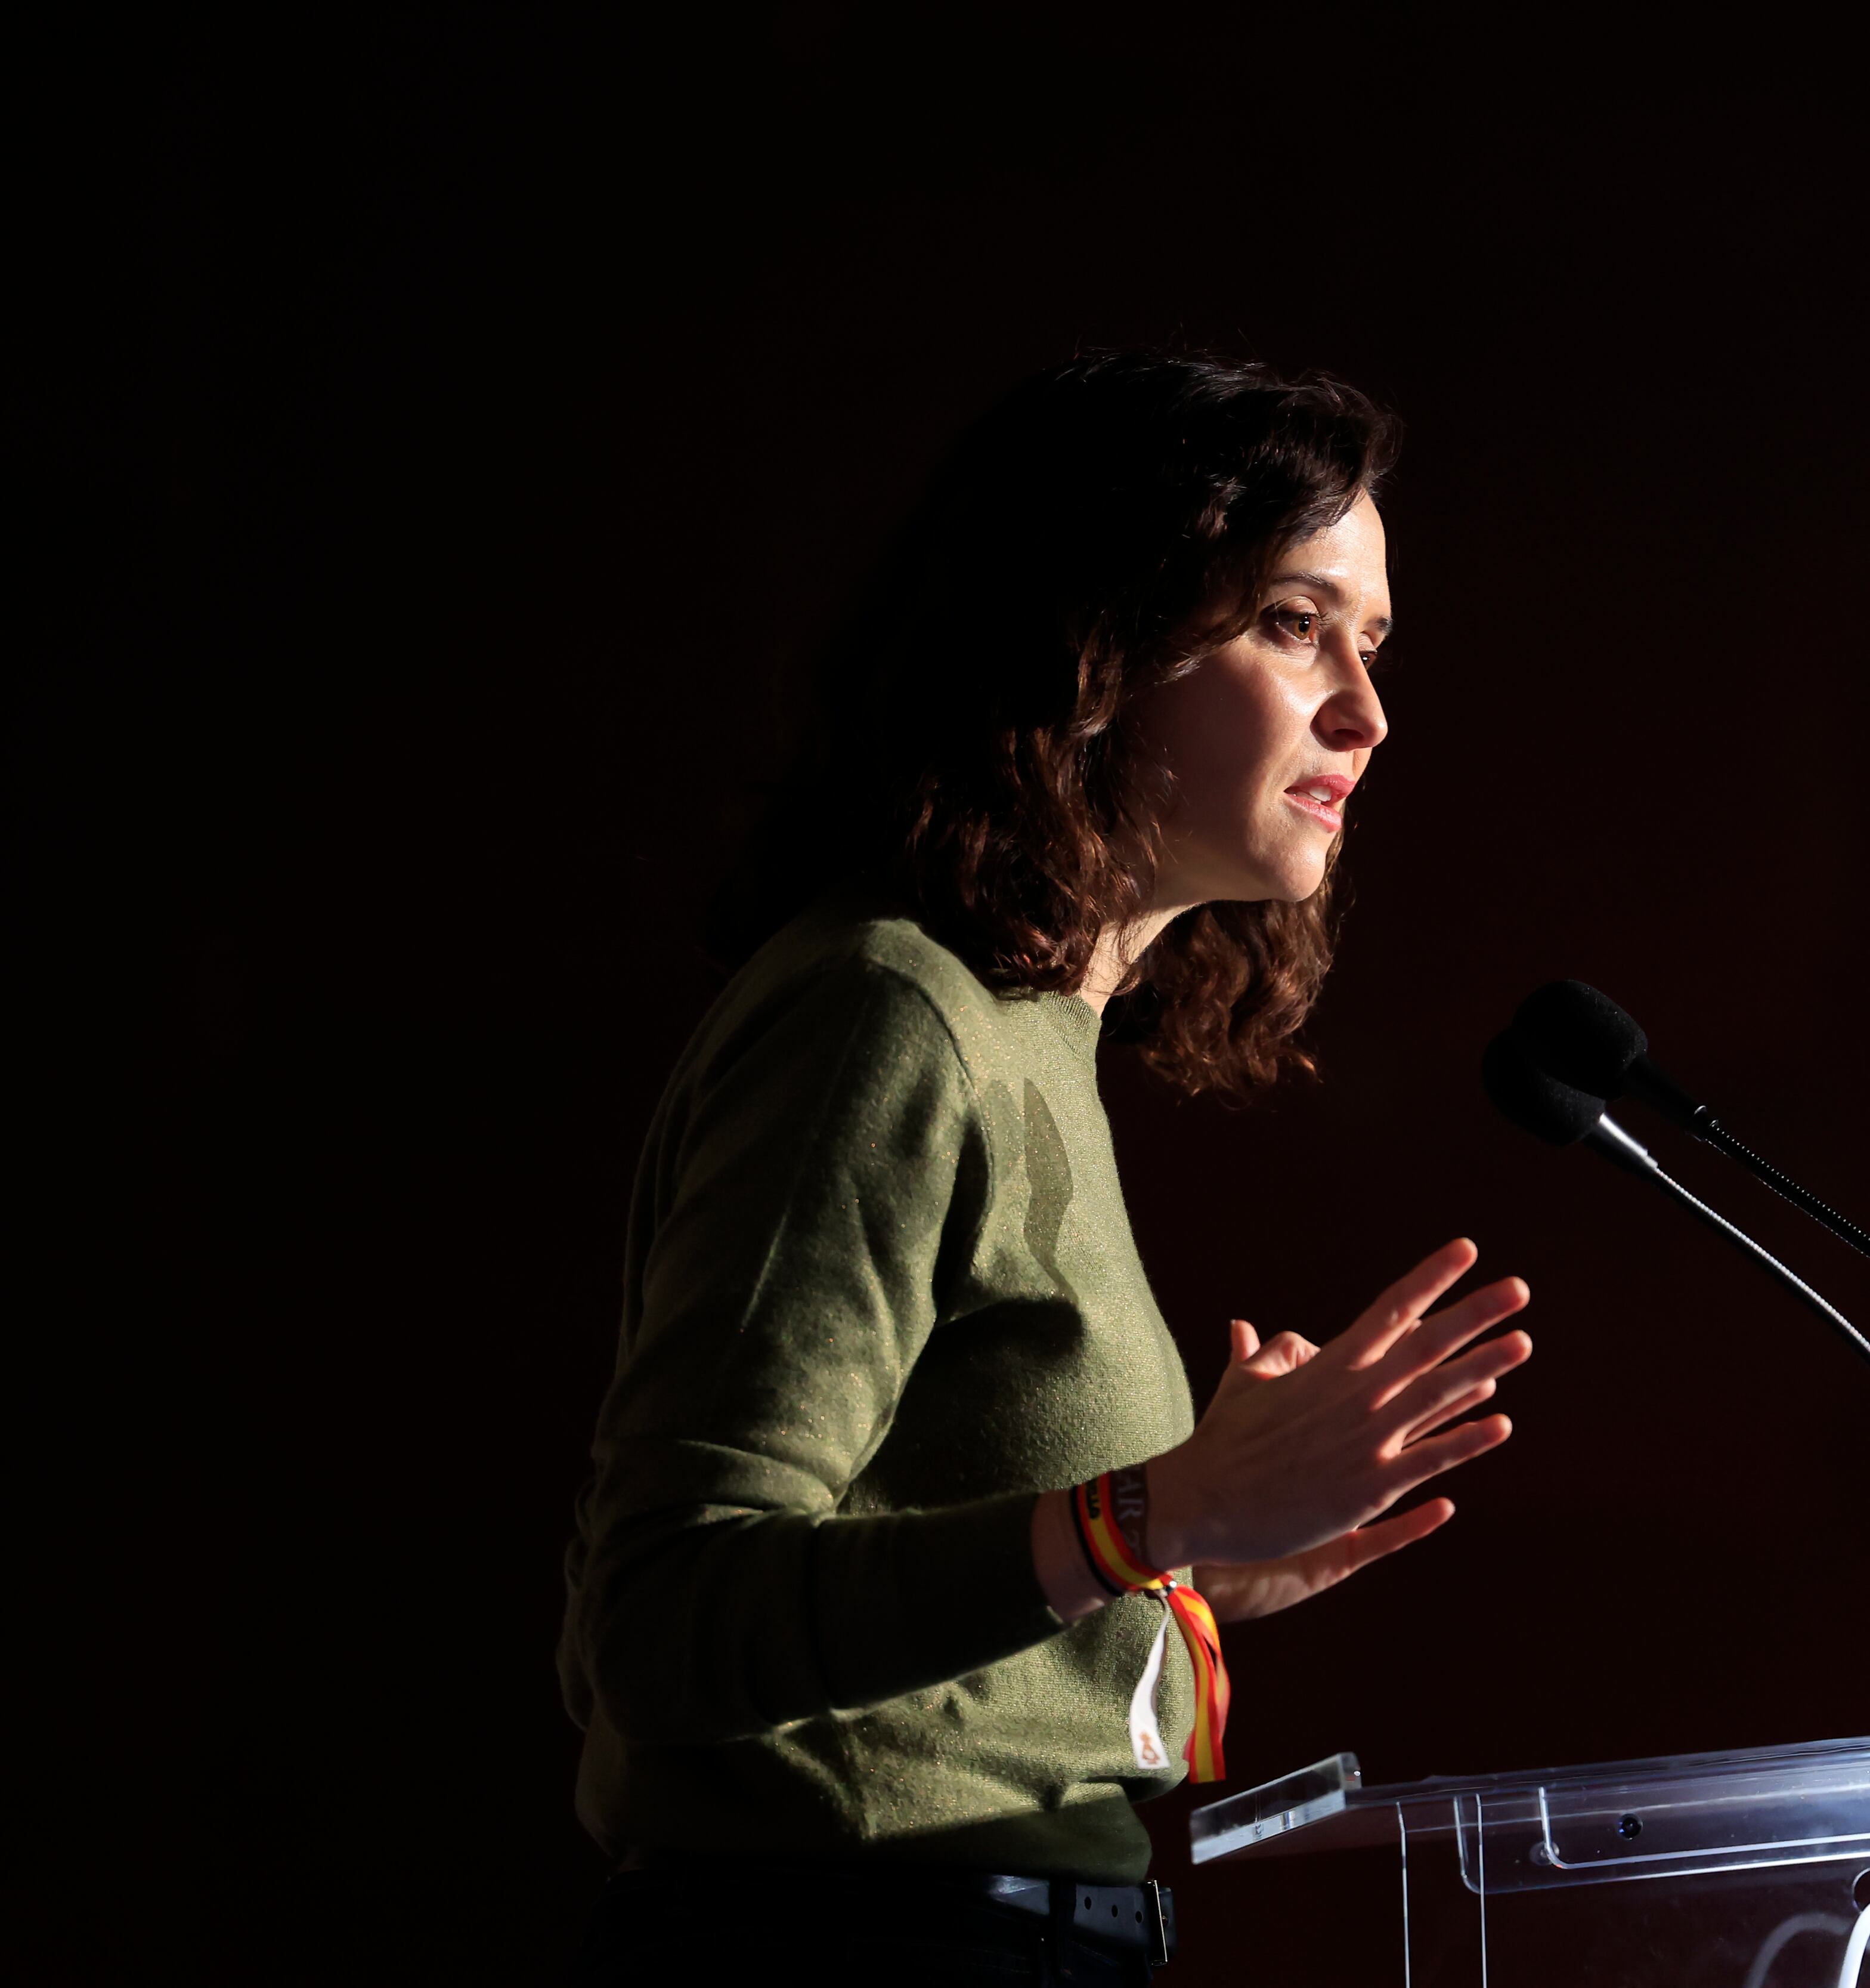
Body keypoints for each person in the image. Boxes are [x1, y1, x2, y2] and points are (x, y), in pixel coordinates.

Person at [558, 353, 1534, 1984]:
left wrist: (1191, 1554)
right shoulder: (889, 1014)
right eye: (1292, 622)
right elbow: (662, 1622)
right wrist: (1158, 1508)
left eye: (1370, 643)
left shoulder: (1030, 1033)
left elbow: (952, 1589)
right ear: (1098, 644)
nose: (1366, 713)